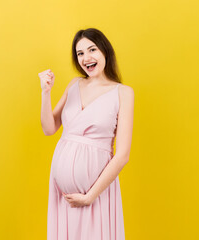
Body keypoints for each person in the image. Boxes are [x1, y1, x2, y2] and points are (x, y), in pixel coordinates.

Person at [39, 28, 134, 240]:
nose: (86, 58)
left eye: (92, 50)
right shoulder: (74, 85)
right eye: (80, 53)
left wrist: (90, 197)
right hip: (62, 197)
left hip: (96, 194)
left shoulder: (123, 93)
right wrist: (46, 92)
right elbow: (49, 128)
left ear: (105, 52)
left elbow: (122, 155)